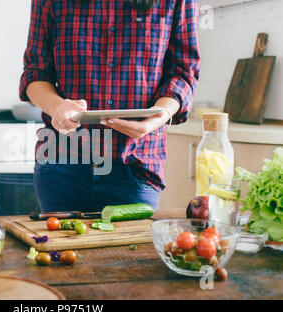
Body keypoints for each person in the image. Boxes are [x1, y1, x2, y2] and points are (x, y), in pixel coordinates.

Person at [19, 0, 201, 212]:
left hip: (135, 164)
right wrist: (57, 107)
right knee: (61, 246)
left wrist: (158, 118)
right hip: (62, 162)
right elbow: (35, 73)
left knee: (130, 246)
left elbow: (184, 72)